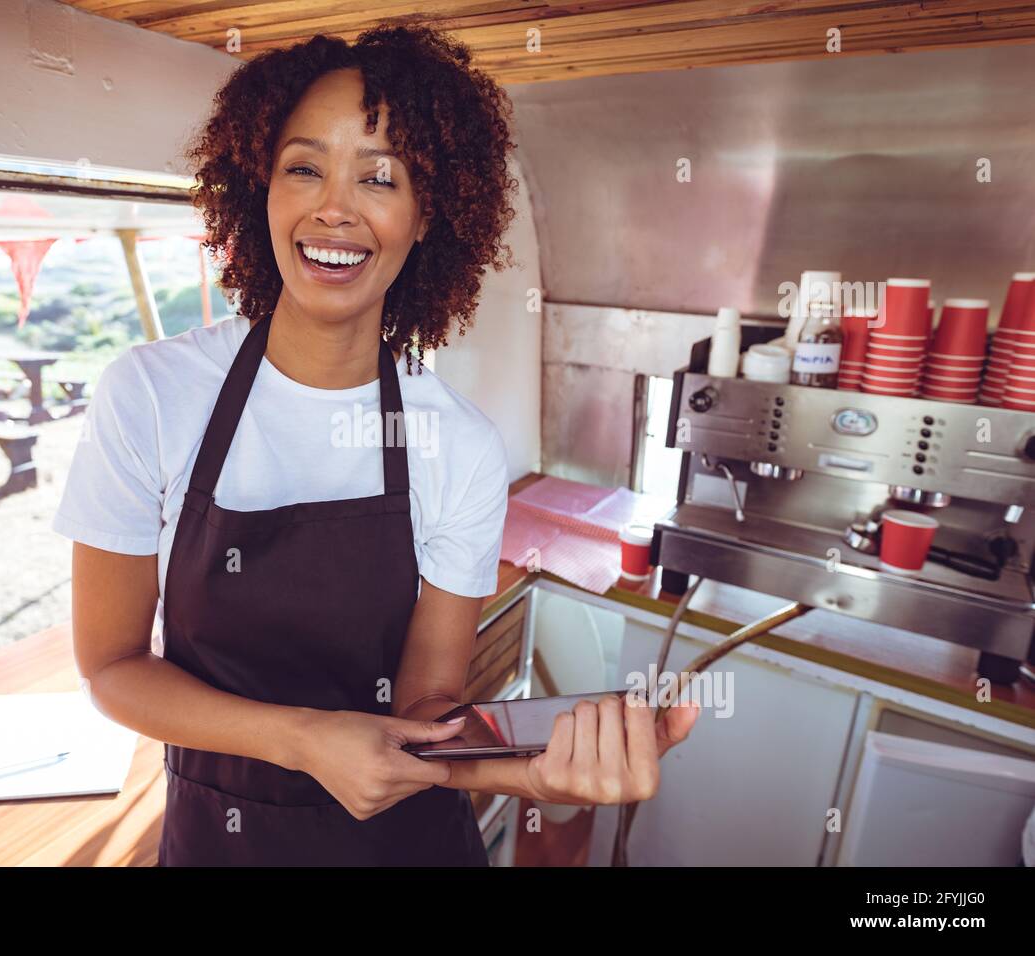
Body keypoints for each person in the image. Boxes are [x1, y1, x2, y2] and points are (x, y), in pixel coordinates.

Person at [52, 22, 698, 866]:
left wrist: (530, 776)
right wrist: (303, 739)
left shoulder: (457, 445)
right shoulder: (150, 396)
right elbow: (111, 666)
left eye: (380, 177)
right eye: (304, 167)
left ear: (429, 214)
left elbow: (429, 705)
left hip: (407, 842)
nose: (334, 207)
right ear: (263, 189)